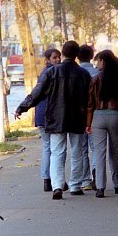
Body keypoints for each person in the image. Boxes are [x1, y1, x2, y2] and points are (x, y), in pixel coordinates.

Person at [15, 40, 92, 200]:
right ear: (77, 55)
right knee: (77, 151)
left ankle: (57, 186)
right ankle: (75, 185)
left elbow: (38, 93)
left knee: (57, 151)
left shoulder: (52, 73)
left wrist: (23, 107)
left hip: (56, 117)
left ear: (63, 54)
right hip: (78, 117)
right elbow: (90, 99)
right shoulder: (84, 74)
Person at [87, 50, 118, 198]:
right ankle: (117, 184)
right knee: (115, 152)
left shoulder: (95, 80)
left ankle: (100, 187)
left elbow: (90, 104)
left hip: (98, 117)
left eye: (98, 61)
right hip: (115, 116)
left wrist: (88, 123)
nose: (97, 63)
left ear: (103, 62)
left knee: (99, 153)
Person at [35, 48, 61, 192]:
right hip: (50, 115)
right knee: (55, 149)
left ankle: (47, 180)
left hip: (41, 114)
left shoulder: (43, 73)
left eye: (59, 57)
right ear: (48, 60)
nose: (57, 60)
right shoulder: (54, 73)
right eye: (54, 58)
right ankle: (54, 179)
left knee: (47, 148)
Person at [77, 44, 99, 191]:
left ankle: (85, 181)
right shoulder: (98, 73)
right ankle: (97, 174)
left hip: (78, 115)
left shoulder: (76, 73)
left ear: (78, 57)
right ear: (92, 56)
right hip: (96, 115)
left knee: (82, 149)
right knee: (96, 147)